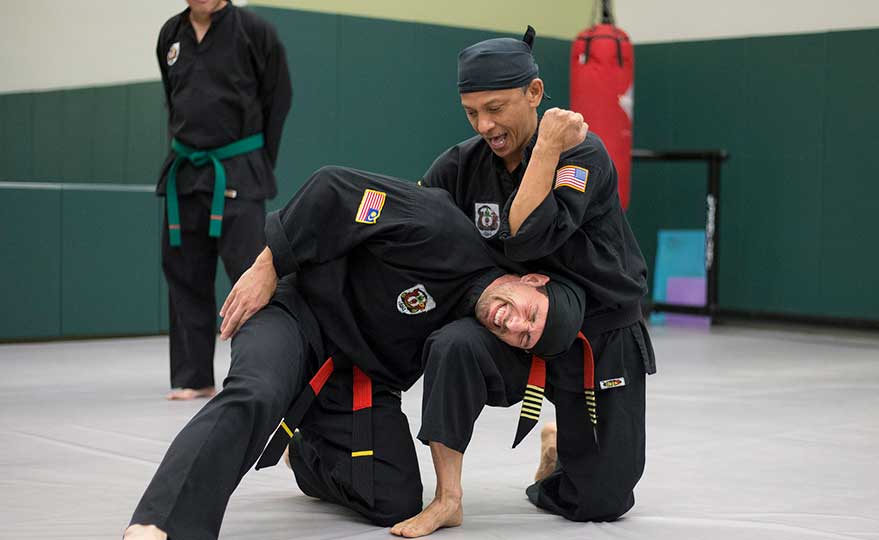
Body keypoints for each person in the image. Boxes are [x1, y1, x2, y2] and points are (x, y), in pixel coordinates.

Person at [124, 166, 586, 540]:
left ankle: (304, 456)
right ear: (531, 280)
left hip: (355, 379)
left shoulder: (471, 334)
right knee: (258, 392)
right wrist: (269, 264)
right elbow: (333, 189)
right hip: (295, 316)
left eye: (525, 336)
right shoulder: (441, 229)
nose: (514, 323)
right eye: (530, 313)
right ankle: (161, 524)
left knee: (396, 499)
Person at [390, 27, 656, 538]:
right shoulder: (461, 165)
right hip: (513, 324)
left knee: (601, 499)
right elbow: (409, 225)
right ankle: (448, 498)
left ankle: (558, 455)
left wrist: (547, 149)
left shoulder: (582, 154)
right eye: (472, 112)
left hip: (598, 330)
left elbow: (529, 235)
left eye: (496, 107)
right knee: (450, 345)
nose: (485, 125)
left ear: (534, 93)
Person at [156, 0, 292, 400]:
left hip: (238, 169)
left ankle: (260, 372)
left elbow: (278, 101)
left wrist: (254, 162)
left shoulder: (255, 32)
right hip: (185, 171)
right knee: (184, 275)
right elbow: (173, 96)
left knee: (251, 277)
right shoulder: (170, 34)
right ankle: (194, 375)